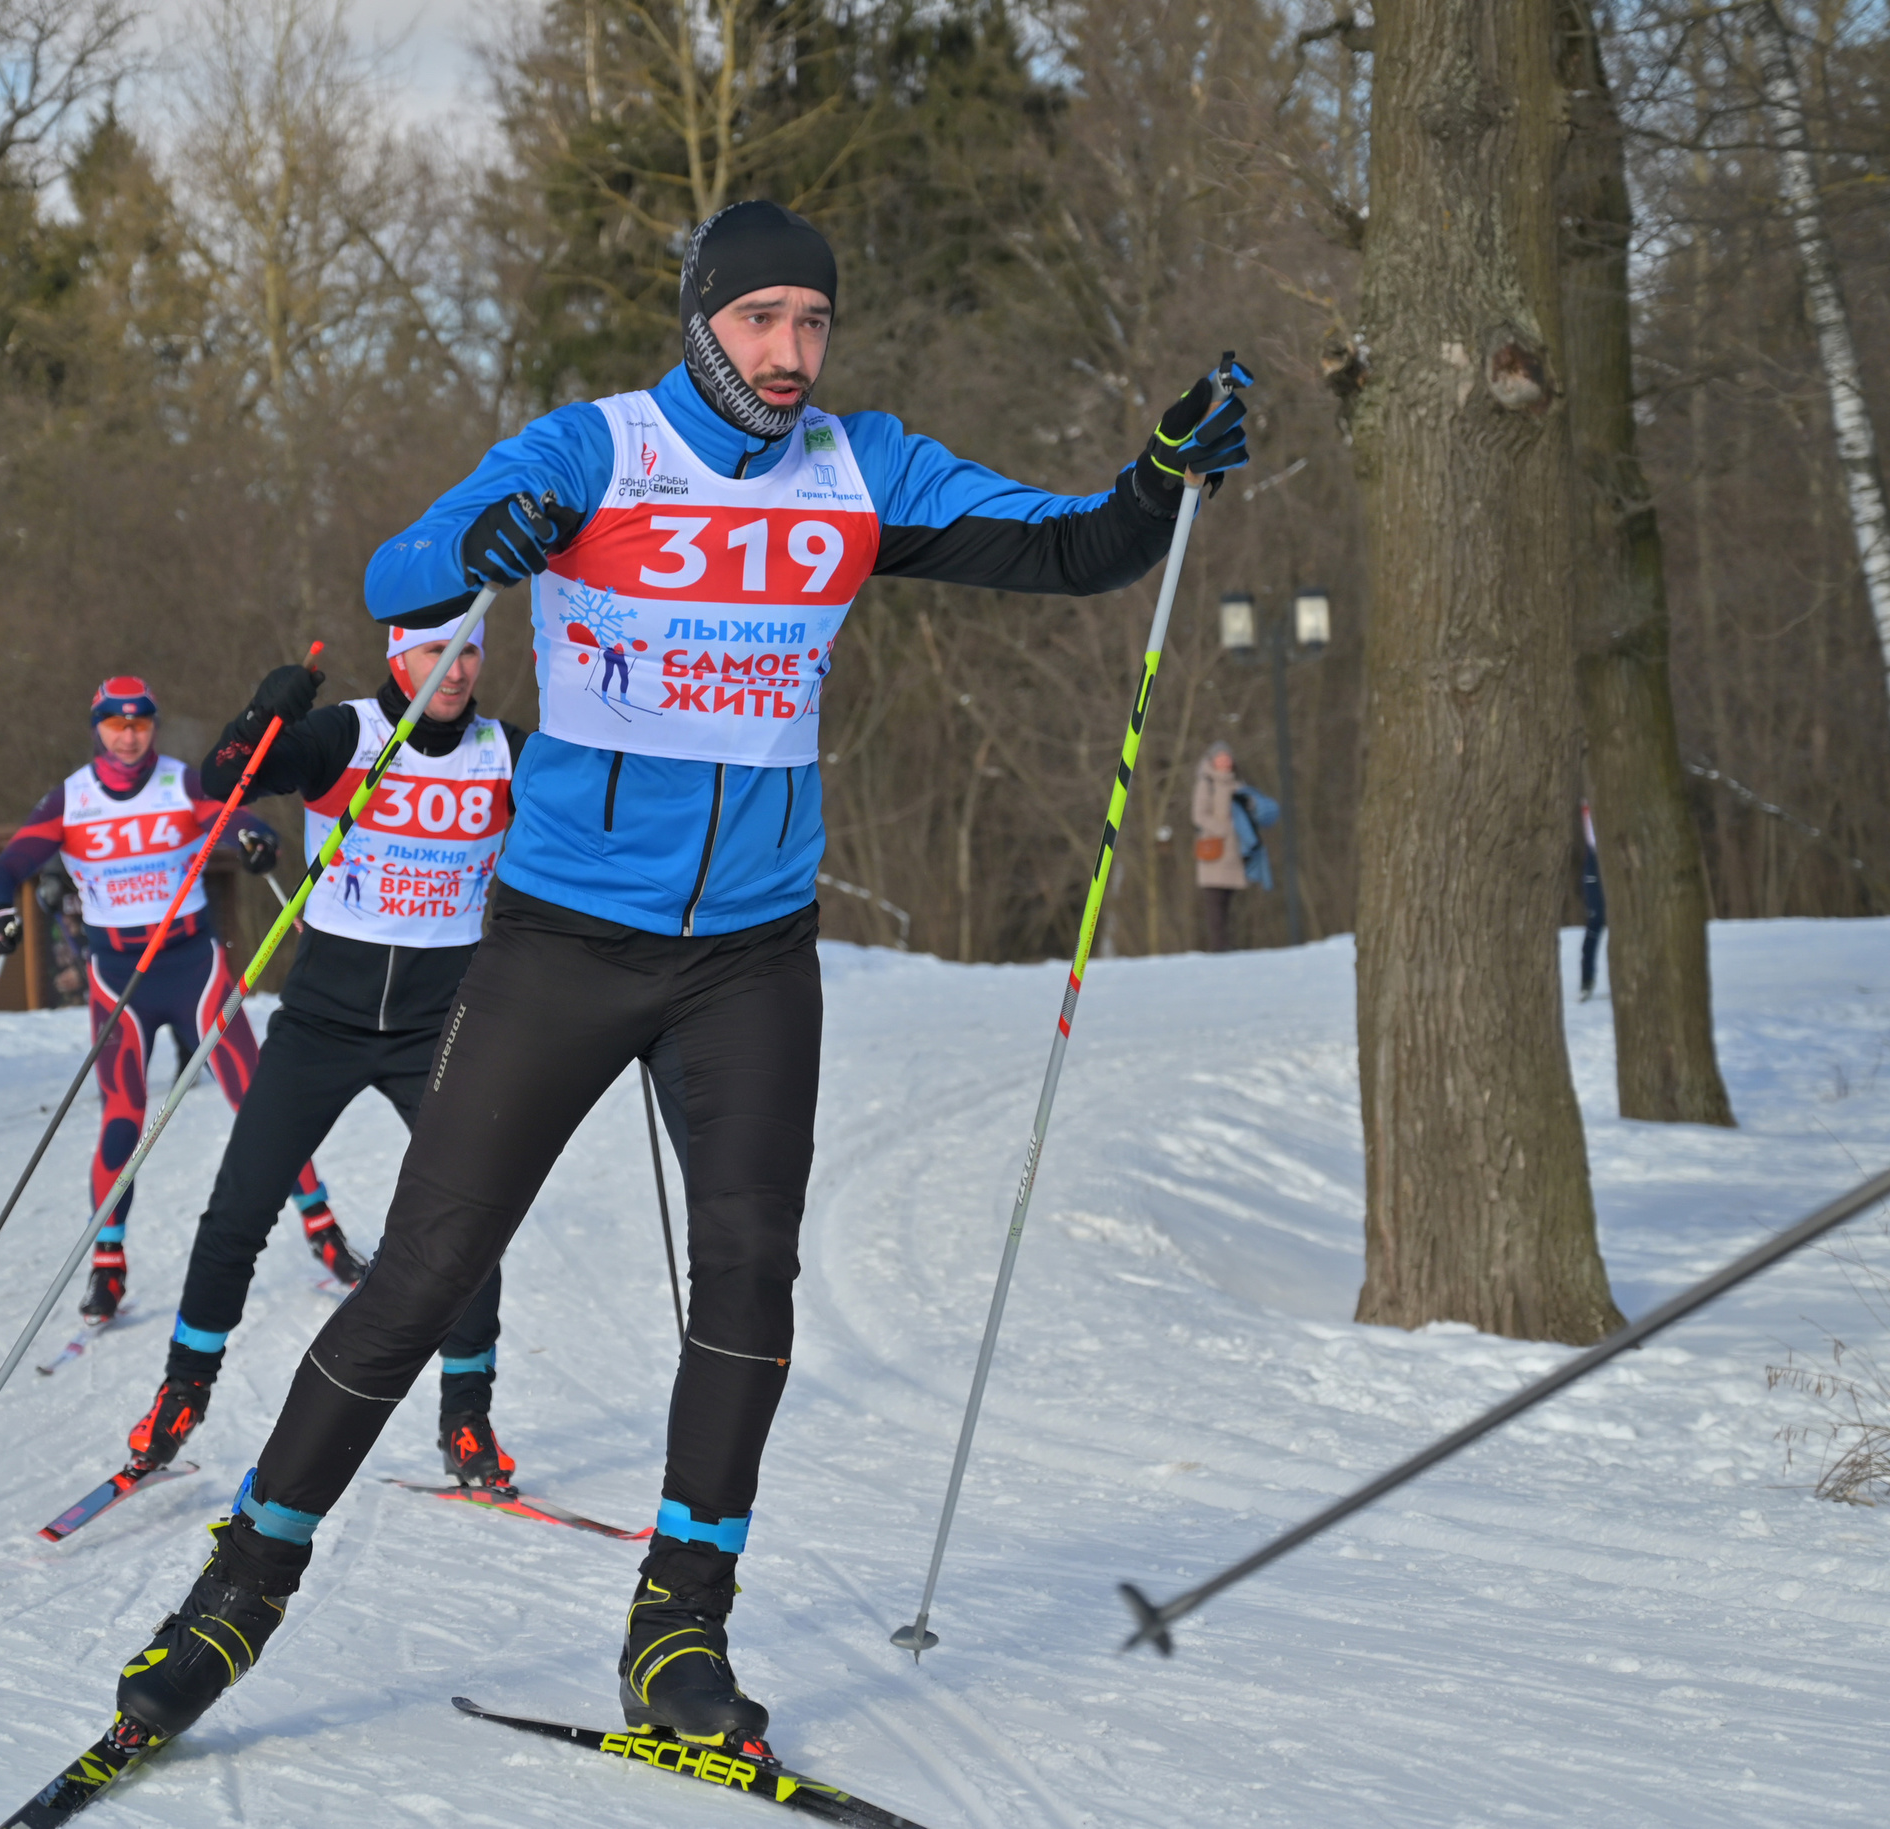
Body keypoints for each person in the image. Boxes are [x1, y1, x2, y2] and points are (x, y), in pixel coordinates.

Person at [98, 201, 1251, 1759]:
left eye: (816, 324)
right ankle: (238, 1589)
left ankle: (679, 1631)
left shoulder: (863, 469)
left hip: (753, 959)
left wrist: (1163, 473)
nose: (792, 354)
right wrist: (479, 543)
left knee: (751, 1279)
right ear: (704, 320)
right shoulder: (598, 451)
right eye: (764, 319)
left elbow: (1075, 549)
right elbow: (403, 561)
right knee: (426, 1270)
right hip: (566, 939)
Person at [119, 613, 539, 1493]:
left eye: (469, 650)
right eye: (435, 651)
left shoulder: (505, 751)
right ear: (398, 652)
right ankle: (182, 1391)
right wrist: (255, 721)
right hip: (323, 1020)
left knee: (470, 1219)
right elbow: (225, 782)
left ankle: (467, 1415)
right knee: (239, 1207)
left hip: (442, 1024)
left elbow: (597, 822)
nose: (454, 669)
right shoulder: (347, 733)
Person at [0, 676, 350, 1326]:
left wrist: (256, 836)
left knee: (258, 1100)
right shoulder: (72, 798)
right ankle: (108, 1265)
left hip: (192, 967)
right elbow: (8, 866)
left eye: (142, 723)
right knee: (122, 1115)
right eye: (117, 724)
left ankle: (322, 1226)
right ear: (97, 726)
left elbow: (231, 815)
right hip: (118, 980)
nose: (130, 734)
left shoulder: (179, 781)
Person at [1190, 742, 1277, 952]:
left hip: (1236, 854)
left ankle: (1231, 947)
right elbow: (1199, 815)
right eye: (1220, 758)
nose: (1225, 762)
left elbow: (1251, 810)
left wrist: (1253, 808)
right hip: (1214, 853)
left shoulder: (1239, 783)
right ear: (1212, 761)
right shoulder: (1206, 783)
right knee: (1215, 905)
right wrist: (1223, 828)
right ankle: (1218, 949)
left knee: (1232, 905)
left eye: (1227, 758)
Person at [1578, 800, 1606, 1001]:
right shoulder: (1588, 800)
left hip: (1614, 857)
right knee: (1595, 922)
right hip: (1594, 863)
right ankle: (1586, 981)